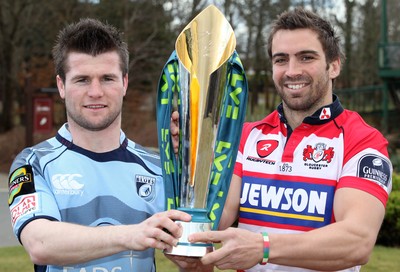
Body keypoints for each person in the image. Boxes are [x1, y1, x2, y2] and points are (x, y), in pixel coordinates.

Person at [170, 7, 393, 272]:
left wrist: (263, 248)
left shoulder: (362, 141)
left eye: (306, 57)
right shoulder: (246, 136)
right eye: (281, 60)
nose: (292, 71)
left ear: (333, 66)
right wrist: (193, 162)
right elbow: (215, 219)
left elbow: (357, 241)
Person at [7, 18, 191, 272]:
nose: (95, 92)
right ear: (61, 86)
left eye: (107, 78)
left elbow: (195, 252)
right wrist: (132, 235)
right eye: (82, 80)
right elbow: (39, 244)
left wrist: (192, 163)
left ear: (124, 83)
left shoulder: (160, 167)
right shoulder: (33, 163)